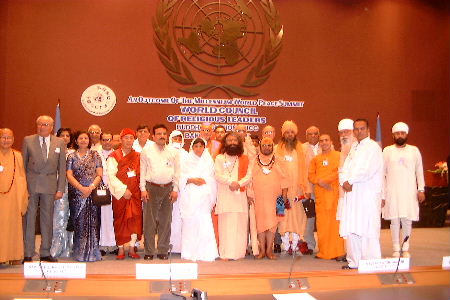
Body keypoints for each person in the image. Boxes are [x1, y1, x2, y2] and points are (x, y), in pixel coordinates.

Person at [339, 119, 383, 269]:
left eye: (362, 129)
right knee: (353, 227)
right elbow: (345, 168)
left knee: (366, 227)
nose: (359, 132)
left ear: (368, 130)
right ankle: (354, 261)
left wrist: (349, 181)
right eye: (356, 129)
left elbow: (367, 170)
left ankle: (370, 262)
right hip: (352, 195)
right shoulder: (354, 147)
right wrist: (343, 180)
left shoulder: (373, 148)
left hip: (366, 195)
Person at [22, 115, 67, 262]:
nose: (42, 127)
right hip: (31, 185)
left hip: (50, 185)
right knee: (29, 219)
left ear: (52, 127)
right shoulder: (28, 140)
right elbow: (22, 165)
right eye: (40, 124)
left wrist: (60, 188)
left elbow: (62, 168)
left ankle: (45, 252)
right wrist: (23, 188)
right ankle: (28, 252)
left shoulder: (59, 142)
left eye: (46, 124)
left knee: (47, 219)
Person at [381, 122, 425, 258]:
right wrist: (382, 194)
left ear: (406, 134)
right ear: (393, 135)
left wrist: (421, 189)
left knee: (407, 219)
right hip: (392, 191)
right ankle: (395, 247)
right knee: (394, 220)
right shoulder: (387, 151)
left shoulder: (414, 150)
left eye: (402, 133)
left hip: (409, 191)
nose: (400, 135)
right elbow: (381, 173)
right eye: (397, 133)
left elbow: (419, 171)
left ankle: (405, 247)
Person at [140, 124, 180, 260]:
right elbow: (142, 171)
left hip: (168, 188)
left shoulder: (173, 152)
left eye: (164, 134)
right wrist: (143, 189)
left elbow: (177, 172)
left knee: (165, 220)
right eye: (158, 134)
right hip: (151, 188)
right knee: (149, 222)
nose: (162, 136)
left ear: (167, 136)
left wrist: (175, 189)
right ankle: (149, 251)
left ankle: (163, 249)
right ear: (153, 136)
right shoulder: (147, 151)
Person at [247, 137, 287, 259]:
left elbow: (285, 178)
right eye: (264, 145)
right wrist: (249, 194)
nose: (267, 147)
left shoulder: (279, 160)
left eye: (269, 145)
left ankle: (269, 250)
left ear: (272, 146)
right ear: (259, 146)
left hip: (275, 198)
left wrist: (284, 196)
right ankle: (262, 250)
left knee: (272, 224)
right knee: (259, 224)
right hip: (257, 198)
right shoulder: (253, 160)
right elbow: (249, 179)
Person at [179, 138, 218, 261]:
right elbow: (181, 177)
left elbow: (212, 178)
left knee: (204, 223)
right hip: (190, 197)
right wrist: (192, 180)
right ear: (192, 147)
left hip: (204, 197)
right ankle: (189, 252)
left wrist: (203, 181)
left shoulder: (208, 161)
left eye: (201, 146)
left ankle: (206, 252)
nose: (198, 149)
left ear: (204, 147)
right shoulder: (186, 160)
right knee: (190, 223)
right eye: (196, 146)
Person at [214, 132, 252, 260]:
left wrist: (239, 183)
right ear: (225, 143)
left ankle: (239, 253)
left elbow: (249, 175)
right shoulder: (219, 158)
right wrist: (231, 182)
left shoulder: (244, 158)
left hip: (239, 197)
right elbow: (217, 175)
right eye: (229, 140)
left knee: (240, 226)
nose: (232, 143)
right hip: (225, 196)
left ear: (239, 143)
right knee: (225, 226)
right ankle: (225, 254)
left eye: (234, 140)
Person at [66, 131, 103, 262]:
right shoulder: (71, 156)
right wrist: (81, 188)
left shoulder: (95, 154)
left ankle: (93, 252)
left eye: (85, 138)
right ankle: (79, 252)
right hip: (77, 194)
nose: (83, 140)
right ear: (76, 141)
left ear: (89, 140)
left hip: (92, 193)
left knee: (93, 223)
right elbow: (69, 175)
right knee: (79, 222)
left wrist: (91, 187)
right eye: (80, 138)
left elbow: (99, 174)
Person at [308, 134, 345, 260]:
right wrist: (320, 181)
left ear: (331, 141)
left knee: (336, 224)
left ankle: (338, 252)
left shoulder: (339, 156)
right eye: (321, 141)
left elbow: (341, 171)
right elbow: (311, 175)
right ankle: (323, 252)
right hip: (321, 196)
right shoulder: (316, 159)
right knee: (322, 224)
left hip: (335, 194)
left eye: (326, 140)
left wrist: (326, 180)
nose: (324, 143)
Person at [107, 129, 143, 260]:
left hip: (135, 194)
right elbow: (110, 176)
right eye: (126, 138)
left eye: (131, 138)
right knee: (120, 220)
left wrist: (139, 189)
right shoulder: (114, 156)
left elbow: (142, 174)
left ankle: (132, 247)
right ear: (121, 140)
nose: (129, 140)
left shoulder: (138, 156)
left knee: (135, 219)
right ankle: (121, 248)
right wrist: (123, 190)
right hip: (121, 195)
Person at [276, 120, 310, 255]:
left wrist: (306, 189)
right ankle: (285, 243)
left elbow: (306, 170)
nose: (289, 135)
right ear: (283, 134)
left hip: (297, 189)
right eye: (287, 132)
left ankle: (295, 242)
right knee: (282, 216)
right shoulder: (276, 149)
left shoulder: (303, 149)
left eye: (292, 132)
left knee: (297, 217)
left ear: (295, 134)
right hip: (281, 190)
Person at [0, 128, 28, 265]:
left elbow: (22, 178)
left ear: (13, 139)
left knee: (13, 227)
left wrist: (22, 197)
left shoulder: (18, 156)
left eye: (9, 137)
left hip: (13, 198)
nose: (6, 140)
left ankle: (14, 255)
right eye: (3, 137)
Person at [50, 128, 75, 258]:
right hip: (58, 188)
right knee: (59, 218)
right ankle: (57, 246)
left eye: (67, 135)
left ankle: (69, 247)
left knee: (71, 218)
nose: (65, 138)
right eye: (62, 135)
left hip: (73, 189)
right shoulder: (53, 152)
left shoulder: (74, 153)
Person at [97, 132, 118, 256]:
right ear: (101, 141)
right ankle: (102, 244)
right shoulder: (95, 154)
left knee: (113, 217)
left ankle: (114, 244)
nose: (107, 142)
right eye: (104, 140)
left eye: (109, 139)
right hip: (100, 189)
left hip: (114, 189)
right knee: (102, 217)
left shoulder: (117, 154)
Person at [168, 130, 188, 254]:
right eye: (175, 139)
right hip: (170, 189)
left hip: (183, 190)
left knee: (181, 217)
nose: (177, 141)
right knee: (169, 218)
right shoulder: (166, 152)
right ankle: (169, 244)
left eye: (179, 139)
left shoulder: (186, 154)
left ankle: (181, 246)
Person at [302, 126, 321, 255]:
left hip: (324, 189)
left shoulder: (327, 146)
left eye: (315, 134)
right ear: (306, 135)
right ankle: (309, 244)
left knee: (324, 218)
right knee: (309, 218)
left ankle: (325, 244)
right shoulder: (302, 148)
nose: (313, 136)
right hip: (308, 188)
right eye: (310, 134)